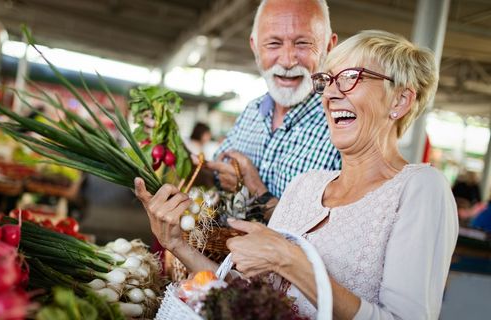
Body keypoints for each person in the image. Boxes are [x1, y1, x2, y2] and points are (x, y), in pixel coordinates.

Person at [135, 30, 458, 319]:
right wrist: (177, 244)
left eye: (350, 77)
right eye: (327, 81)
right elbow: (251, 300)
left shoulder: (419, 188)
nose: (330, 94)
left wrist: (289, 260)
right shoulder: (305, 186)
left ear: (400, 100)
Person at [188, 0, 341, 218]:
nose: (288, 60)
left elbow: (332, 234)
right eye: (273, 44)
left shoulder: (342, 125)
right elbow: (215, 178)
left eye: (303, 43)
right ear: (254, 46)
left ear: (328, 46)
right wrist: (182, 161)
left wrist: (253, 188)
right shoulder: (252, 110)